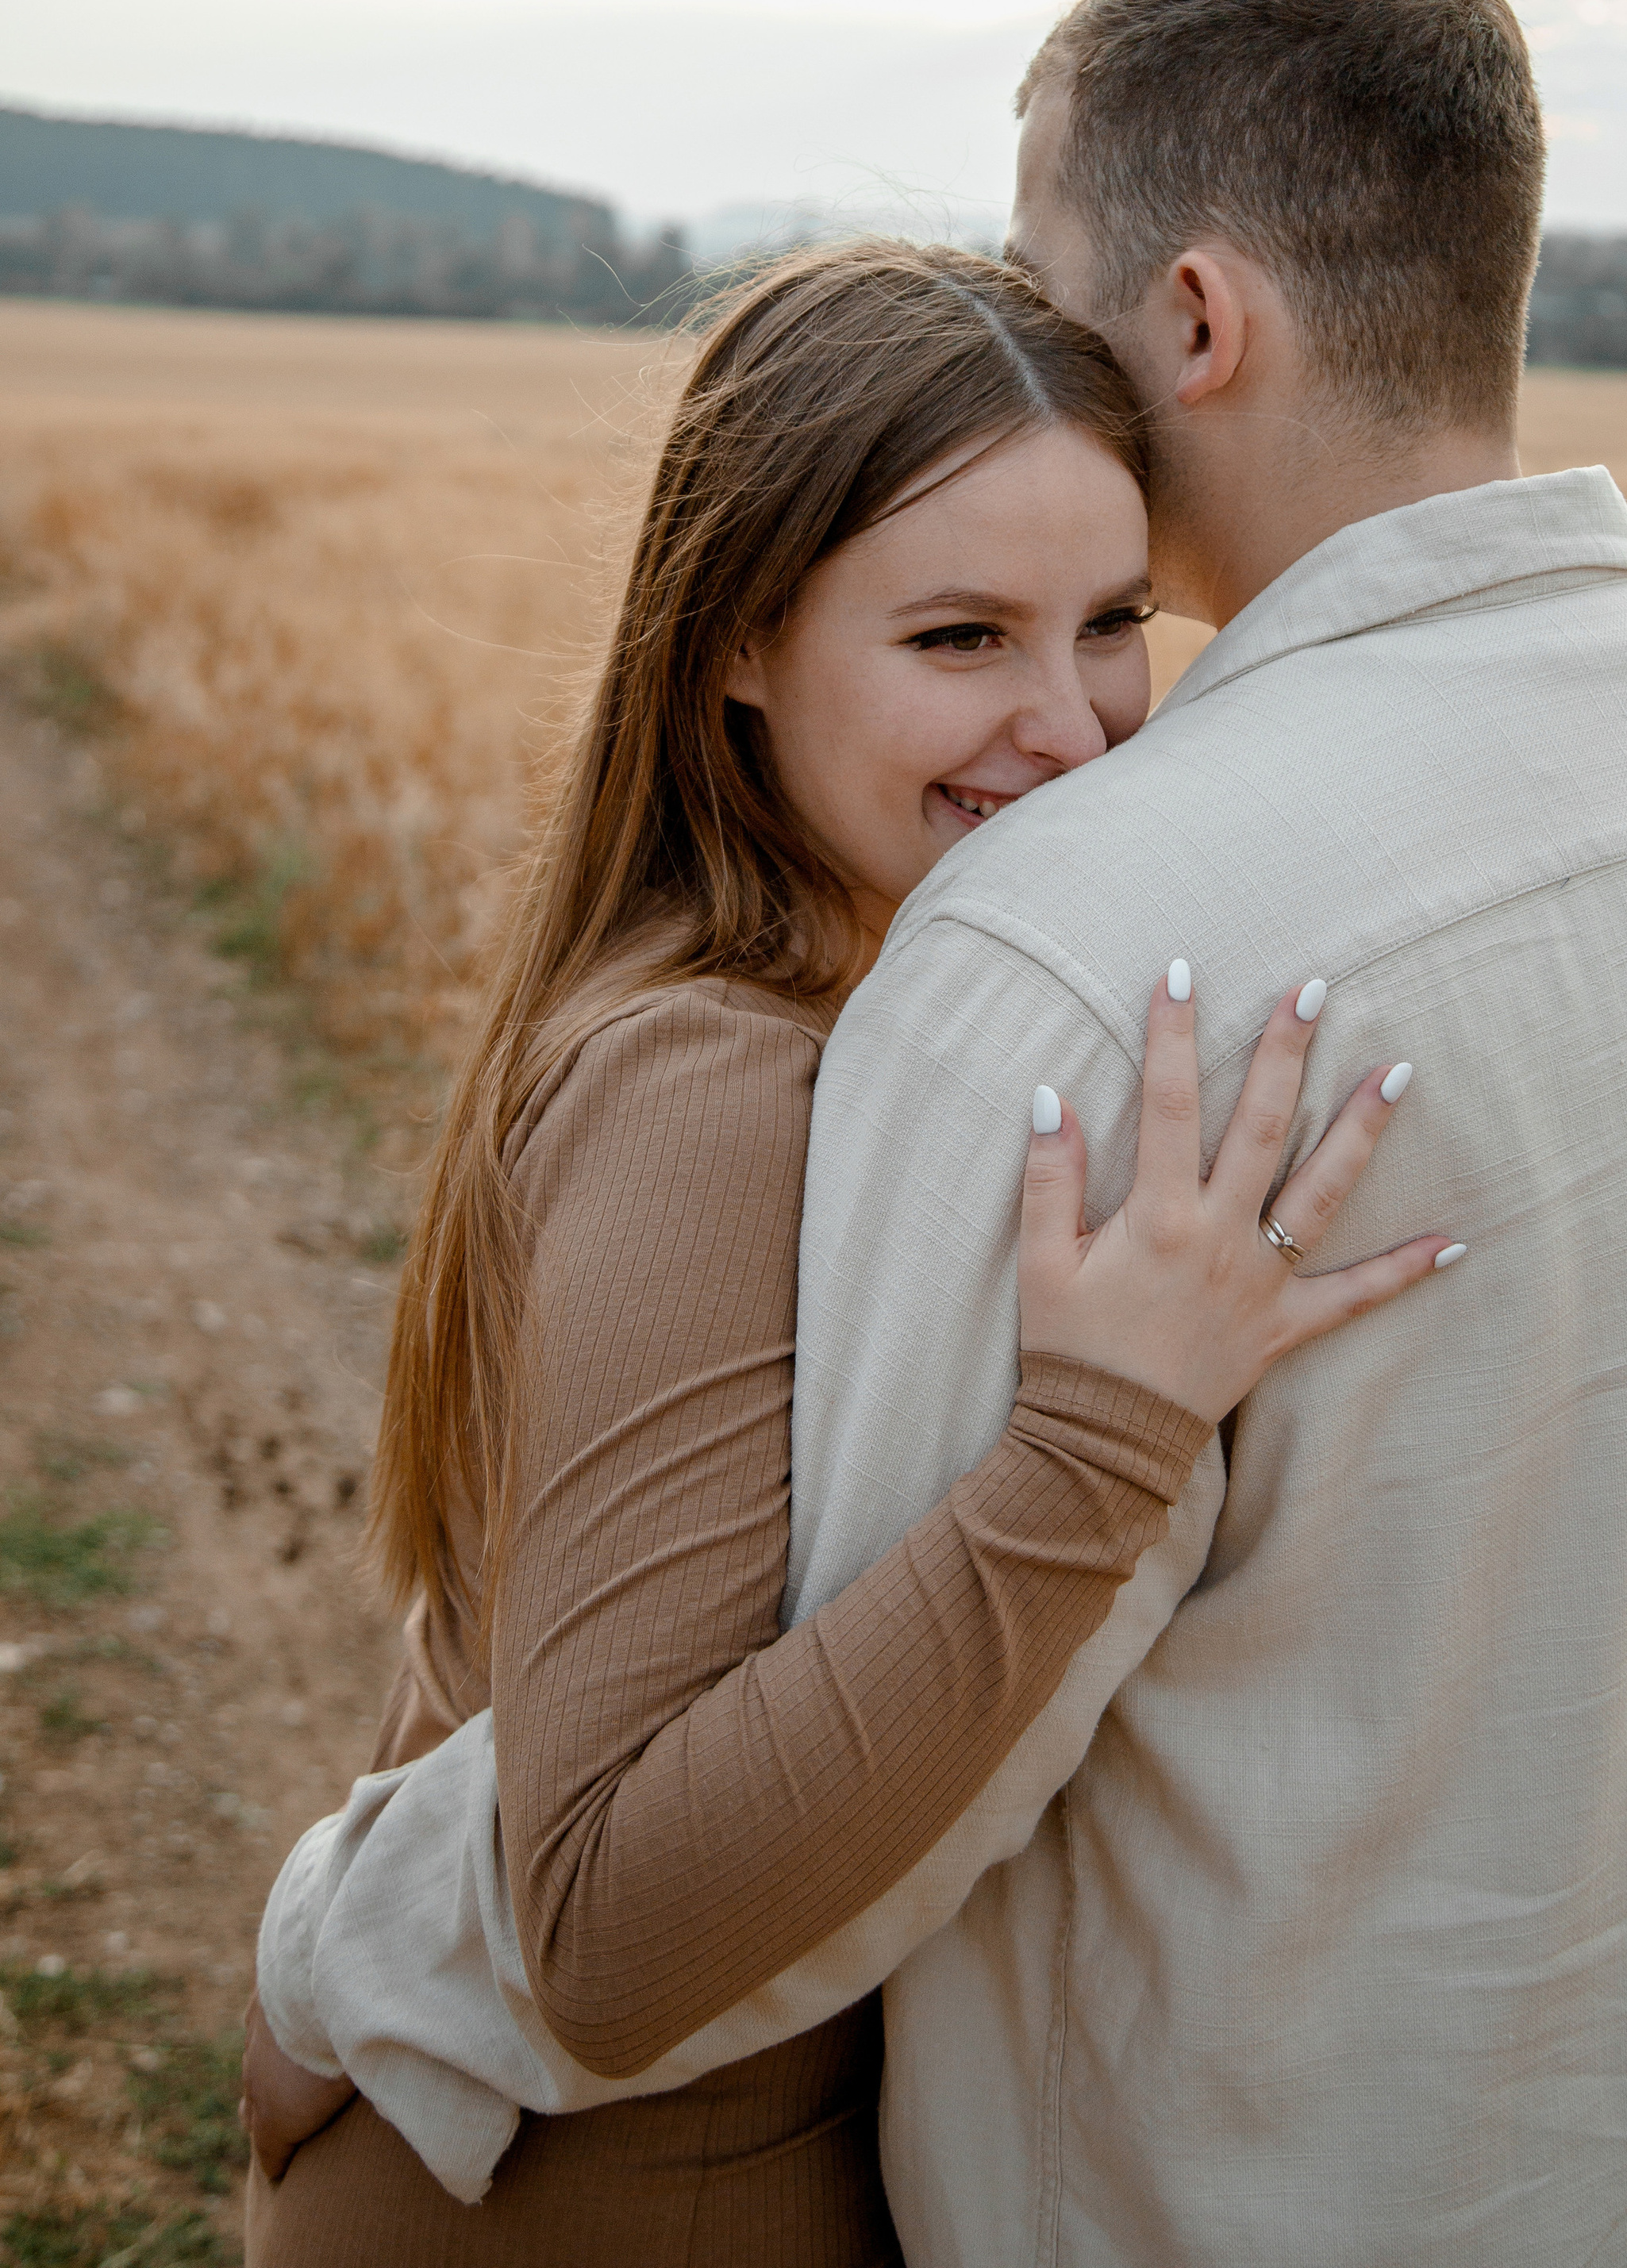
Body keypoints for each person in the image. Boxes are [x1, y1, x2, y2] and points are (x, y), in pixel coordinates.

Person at [782, 0, 1627, 2263]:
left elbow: (833, 1820)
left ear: (1194, 321)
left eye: (1044, 285)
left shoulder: (1071, 943)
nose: (1022, 347)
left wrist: (373, 1963)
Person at [239, 236, 1458, 2264]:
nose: (1070, 728)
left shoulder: (883, 1007)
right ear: (735, 636)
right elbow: (608, 1928)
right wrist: (1101, 1437)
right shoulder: (717, 1087)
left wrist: (331, 1943)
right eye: (959, 637)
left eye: (1111, 624)